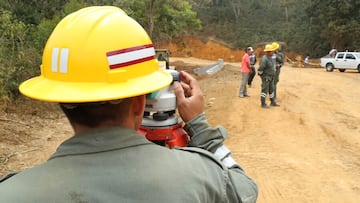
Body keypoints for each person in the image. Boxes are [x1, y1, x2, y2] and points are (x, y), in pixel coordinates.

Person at [0, 6, 258, 203]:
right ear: (139, 101)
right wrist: (200, 128)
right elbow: (244, 190)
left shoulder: (11, 193)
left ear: (60, 98)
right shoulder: (202, 175)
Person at [258, 44, 280, 108]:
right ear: (268, 52)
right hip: (266, 77)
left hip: (271, 77)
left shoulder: (270, 58)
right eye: (272, 51)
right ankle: (263, 103)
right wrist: (262, 75)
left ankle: (272, 102)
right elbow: (261, 68)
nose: (273, 52)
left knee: (271, 90)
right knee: (264, 90)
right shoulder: (265, 59)